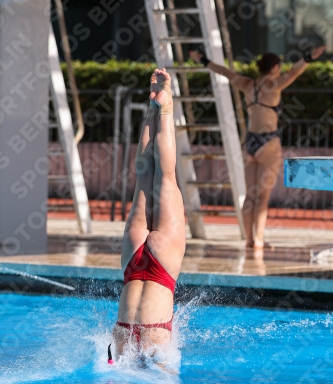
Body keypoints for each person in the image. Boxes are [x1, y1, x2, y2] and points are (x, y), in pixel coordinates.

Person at [189, 46, 326, 249]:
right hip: (269, 142)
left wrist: (204, 60)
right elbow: (295, 72)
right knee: (263, 196)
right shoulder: (275, 85)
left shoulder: (247, 84)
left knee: (250, 195)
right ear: (276, 67)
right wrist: (309, 57)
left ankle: (249, 240)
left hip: (250, 143)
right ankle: (259, 239)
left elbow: (225, 72)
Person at [108, 68, 186, 367]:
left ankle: (162, 107)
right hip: (133, 264)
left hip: (132, 332)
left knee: (164, 177)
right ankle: (155, 106)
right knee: (146, 179)